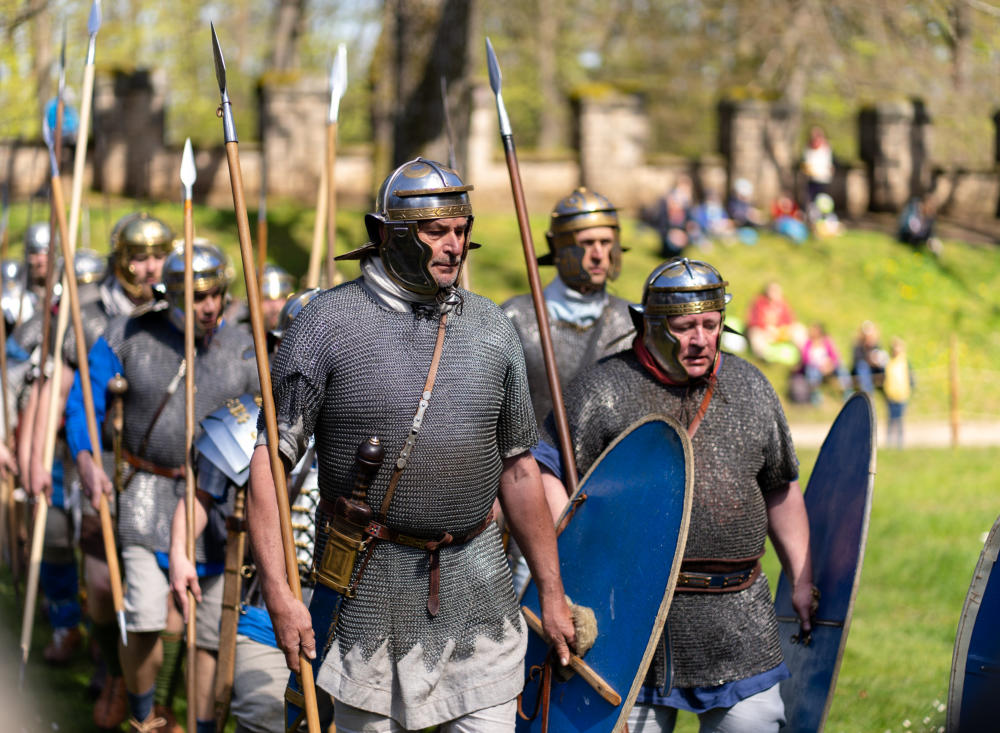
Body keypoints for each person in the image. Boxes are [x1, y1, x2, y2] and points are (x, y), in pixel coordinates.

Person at [247, 157, 575, 731]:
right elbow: (268, 465)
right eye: (436, 231)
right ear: (389, 234)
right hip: (370, 595)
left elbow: (519, 469)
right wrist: (278, 590)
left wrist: (551, 589)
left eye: (462, 230)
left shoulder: (492, 328)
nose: (455, 245)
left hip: (480, 592)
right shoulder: (327, 323)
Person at [535, 258, 814, 732]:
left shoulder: (750, 387)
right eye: (684, 327)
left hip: (737, 618)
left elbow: (779, 488)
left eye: (711, 324)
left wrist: (802, 579)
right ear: (648, 325)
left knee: (755, 722)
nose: (701, 339)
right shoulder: (604, 389)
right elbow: (545, 470)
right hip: (629, 616)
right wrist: (578, 556)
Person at [66, 242, 259, 733]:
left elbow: (269, 419)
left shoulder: (244, 346)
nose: (209, 306)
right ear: (171, 295)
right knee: (146, 619)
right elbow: (84, 397)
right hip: (146, 494)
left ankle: (197, 725)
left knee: (207, 635)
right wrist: (86, 458)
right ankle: (144, 715)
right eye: (196, 297)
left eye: (215, 294)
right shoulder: (130, 334)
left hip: (215, 505)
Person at [501, 187, 633, 431]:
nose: (598, 255)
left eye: (605, 243)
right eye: (587, 243)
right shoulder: (515, 319)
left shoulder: (631, 322)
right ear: (559, 247)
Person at [745, 282, 805, 366]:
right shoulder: (759, 302)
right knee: (755, 333)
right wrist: (765, 328)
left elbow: (790, 320)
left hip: (780, 332)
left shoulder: (782, 303)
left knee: (798, 328)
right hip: (764, 332)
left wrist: (779, 329)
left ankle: (804, 353)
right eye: (772, 290)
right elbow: (751, 320)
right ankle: (763, 356)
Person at [797, 322, 852, 405]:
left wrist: (830, 365)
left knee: (842, 369)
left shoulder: (827, 341)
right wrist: (819, 366)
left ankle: (847, 391)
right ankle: (815, 394)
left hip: (829, 365)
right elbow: (805, 360)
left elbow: (835, 356)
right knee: (812, 371)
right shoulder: (808, 343)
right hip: (815, 367)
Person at [882, 337, 913, 449]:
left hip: (902, 395)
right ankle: (889, 443)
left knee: (899, 420)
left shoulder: (905, 363)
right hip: (890, 395)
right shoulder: (888, 363)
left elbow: (911, 378)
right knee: (891, 420)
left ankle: (900, 443)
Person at [850, 320, 887, 395]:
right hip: (862, 370)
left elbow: (879, 356)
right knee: (862, 366)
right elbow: (856, 360)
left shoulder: (876, 344)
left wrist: (876, 361)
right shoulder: (858, 345)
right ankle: (867, 392)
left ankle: (886, 387)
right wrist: (868, 358)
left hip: (874, 368)